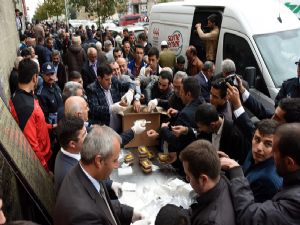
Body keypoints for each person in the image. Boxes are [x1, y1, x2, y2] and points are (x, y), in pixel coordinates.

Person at [54, 125, 143, 225]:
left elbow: (102, 205)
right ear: (99, 161)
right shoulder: (83, 215)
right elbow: (95, 210)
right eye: (114, 160)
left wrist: (129, 213)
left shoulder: (88, 171)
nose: (117, 165)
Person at [220, 123, 300, 225]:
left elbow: (250, 217)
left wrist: (236, 172)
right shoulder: (254, 155)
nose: (259, 148)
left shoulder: (271, 182)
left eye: (274, 151)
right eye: (256, 139)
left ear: (289, 162)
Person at [221, 119, 283, 202]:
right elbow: (246, 172)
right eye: (257, 139)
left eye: (268, 144)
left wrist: (235, 170)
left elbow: (247, 209)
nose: (259, 148)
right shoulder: (254, 153)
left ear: (277, 148)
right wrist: (231, 165)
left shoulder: (268, 180)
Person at [9, 58, 52, 171]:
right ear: (34, 77)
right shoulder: (27, 107)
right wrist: (46, 170)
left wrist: (51, 126)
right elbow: (33, 146)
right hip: (44, 159)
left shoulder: (18, 96)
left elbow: (36, 124)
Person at [179, 140, 236, 225]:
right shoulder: (222, 179)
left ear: (203, 180)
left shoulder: (210, 221)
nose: (187, 180)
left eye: (188, 177)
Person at [86, 63, 136, 131]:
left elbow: (131, 84)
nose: (110, 82)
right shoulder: (92, 89)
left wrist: (130, 91)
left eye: (110, 78)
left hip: (119, 126)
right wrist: (111, 108)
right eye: (107, 79)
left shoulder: (113, 80)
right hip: (104, 129)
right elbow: (94, 109)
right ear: (99, 78)